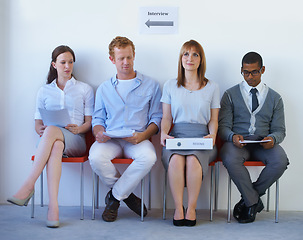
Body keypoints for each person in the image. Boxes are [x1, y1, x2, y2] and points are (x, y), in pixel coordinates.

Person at [7, 45, 94, 228]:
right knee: (54, 143)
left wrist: (79, 129)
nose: (67, 66)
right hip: (53, 141)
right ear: (54, 64)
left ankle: (28, 186)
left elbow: (89, 123)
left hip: (76, 140)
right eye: (62, 62)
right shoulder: (44, 91)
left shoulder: (84, 89)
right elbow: (37, 123)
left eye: (70, 62)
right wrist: (40, 129)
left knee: (52, 132)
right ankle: (53, 210)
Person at [89, 36, 162, 222]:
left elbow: (157, 118)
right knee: (95, 157)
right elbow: (97, 118)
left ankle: (113, 199)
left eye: (129, 57)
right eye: (121, 58)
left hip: (137, 138)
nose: (126, 62)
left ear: (134, 55)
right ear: (112, 59)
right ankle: (127, 196)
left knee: (149, 157)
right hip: (110, 138)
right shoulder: (104, 88)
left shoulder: (151, 85)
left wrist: (143, 135)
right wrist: (98, 131)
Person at [218, 52, 289, 223]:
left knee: (281, 160)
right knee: (229, 157)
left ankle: (249, 199)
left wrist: (273, 139)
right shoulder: (230, 95)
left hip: (263, 144)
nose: (249, 77)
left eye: (254, 72)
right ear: (241, 71)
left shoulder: (275, 98)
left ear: (262, 70)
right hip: (237, 144)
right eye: (245, 72)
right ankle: (253, 202)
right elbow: (223, 127)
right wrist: (232, 136)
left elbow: (280, 130)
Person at [160, 40, 220, 227]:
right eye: (186, 54)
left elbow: (213, 119)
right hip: (177, 136)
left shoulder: (212, 87)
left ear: (201, 60)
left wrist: (212, 137)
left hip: (202, 137)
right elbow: (167, 117)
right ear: (181, 58)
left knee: (193, 161)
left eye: (195, 54)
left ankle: (191, 208)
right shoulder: (170, 85)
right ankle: (179, 208)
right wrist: (163, 133)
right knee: (176, 160)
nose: (190, 58)